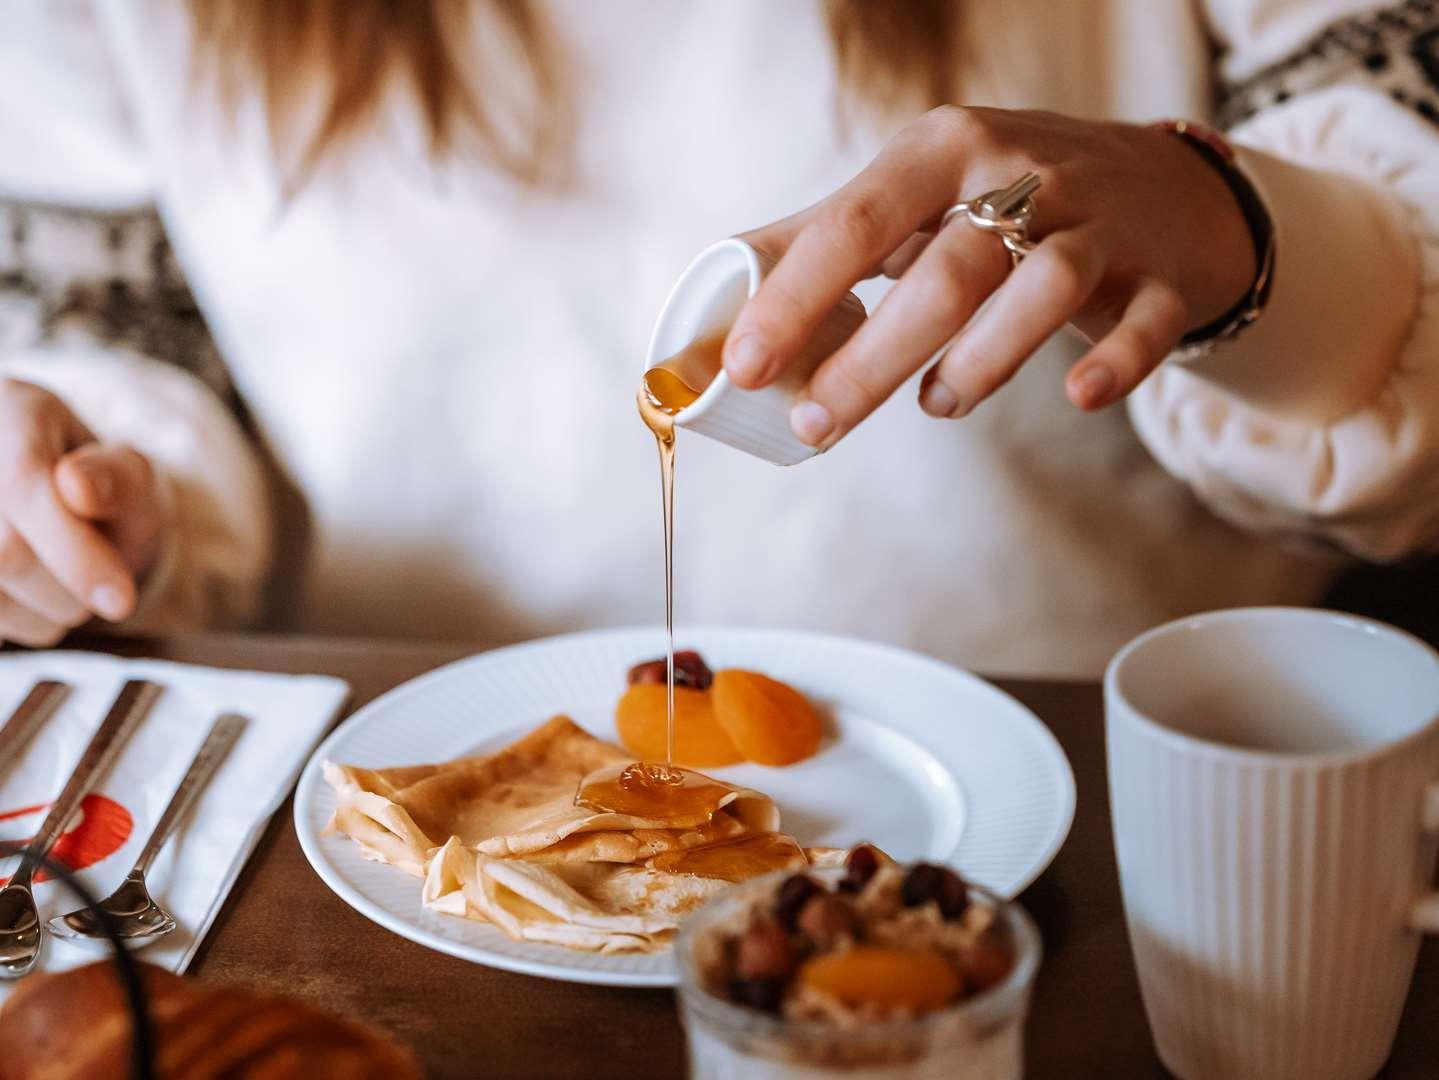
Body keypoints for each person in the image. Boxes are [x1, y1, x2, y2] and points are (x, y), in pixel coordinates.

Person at [0, 0, 1435, 677]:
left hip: (1114, 797)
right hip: (387, 808)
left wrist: (1235, 233)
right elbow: (124, 324)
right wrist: (82, 487)